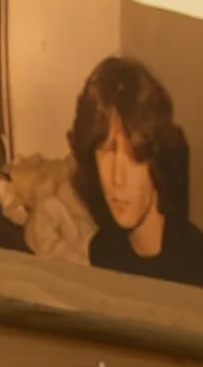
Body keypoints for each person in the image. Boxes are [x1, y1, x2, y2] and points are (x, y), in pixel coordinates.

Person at [69, 54, 203, 283]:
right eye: (106, 151)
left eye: (133, 155)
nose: (117, 178)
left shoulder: (194, 264)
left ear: (155, 159)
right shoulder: (103, 252)